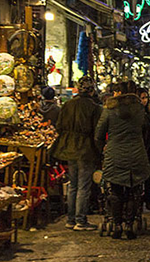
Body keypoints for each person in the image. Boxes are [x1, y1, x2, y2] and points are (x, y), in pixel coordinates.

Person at [95, 81, 150, 240]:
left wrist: (103, 149)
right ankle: (130, 224)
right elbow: (146, 131)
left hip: (115, 154)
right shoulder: (140, 110)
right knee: (134, 191)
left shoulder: (109, 111)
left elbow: (99, 135)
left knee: (115, 190)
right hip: (136, 154)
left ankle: (117, 224)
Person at [52, 76, 102, 231]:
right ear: (92, 90)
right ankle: (81, 220)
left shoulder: (68, 105)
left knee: (73, 185)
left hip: (69, 149)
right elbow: (97, 132)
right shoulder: (94, 107)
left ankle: (71, 219)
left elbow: (59, 126)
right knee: (83, 186)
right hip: (85, 150)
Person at [137, 87, 150, 210]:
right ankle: (139, 199)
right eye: (141, 98)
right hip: (139, 148)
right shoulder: (135, 114)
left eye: (145, 98)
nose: (143, 100)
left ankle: (148, 198)